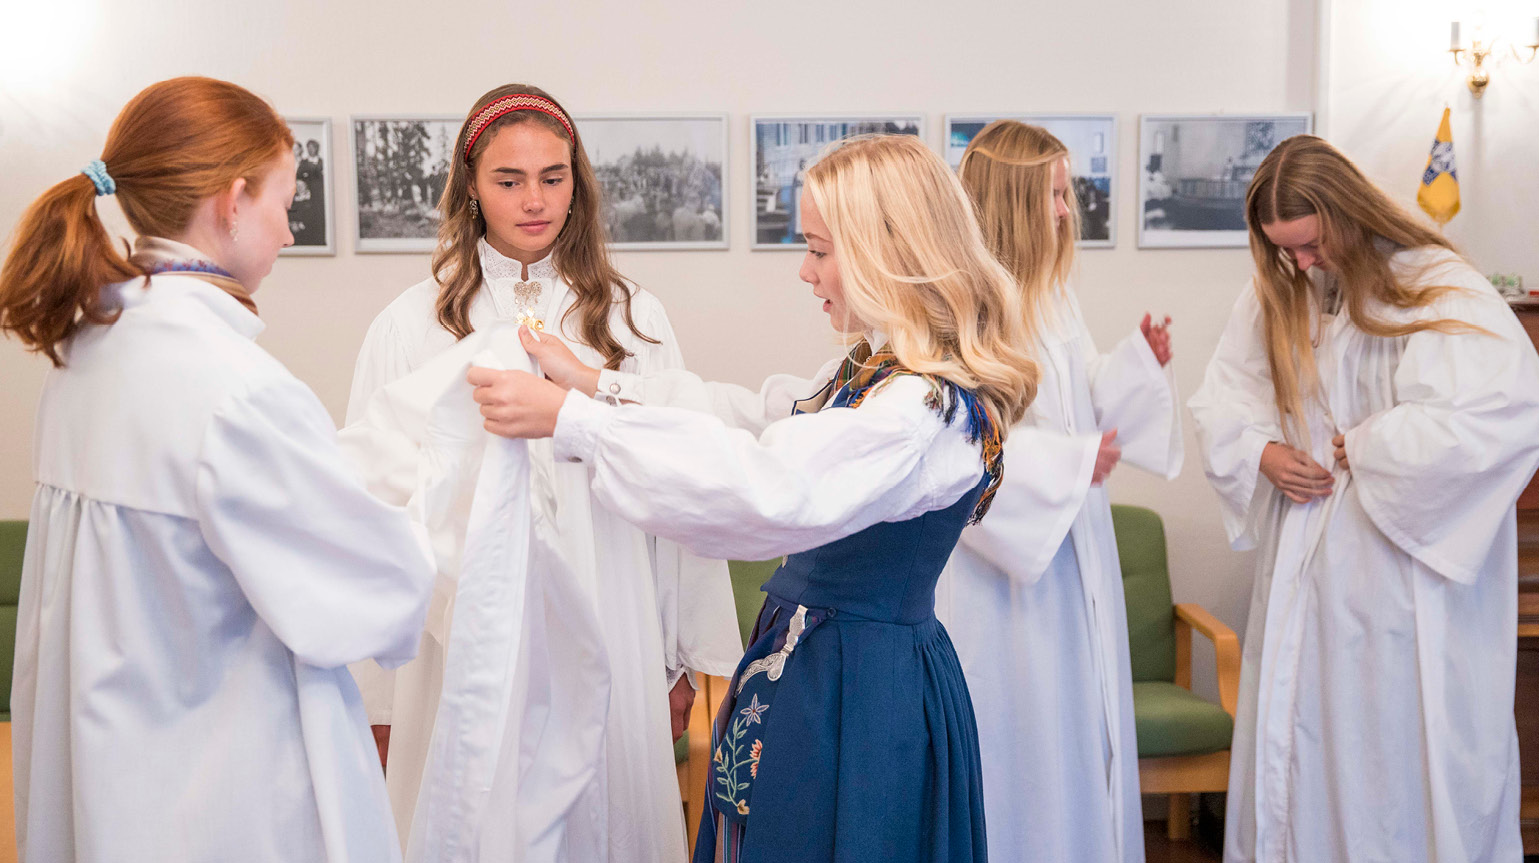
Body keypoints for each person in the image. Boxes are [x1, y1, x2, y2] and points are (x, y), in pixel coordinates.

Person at [469, 133, 1040, 863]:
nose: (806, 270)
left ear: (887, 251)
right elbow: (750, 418)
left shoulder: (920, 410)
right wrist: (593, 381)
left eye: (820, 249)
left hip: (864, 692)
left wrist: (574, 422)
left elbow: (771, 488)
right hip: (817, 675)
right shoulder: (875, 371)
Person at [0, 76, 433, 862]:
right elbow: (370, 593)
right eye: (285, 203)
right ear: (233, 200)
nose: (290, 232)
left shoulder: (85, 352)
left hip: (117, 780)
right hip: (220, 796)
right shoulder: (237, 388)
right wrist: (436, 485)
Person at [346, 83, 741, 863]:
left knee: (605, 815)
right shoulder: (409, 324)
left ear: (576, 182)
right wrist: (377, 692)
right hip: (458, 632)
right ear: (470, 186)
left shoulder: (633, 316)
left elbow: (678, 485)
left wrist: (679, 659)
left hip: (611, 605)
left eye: (553, 177)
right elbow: (372, 507)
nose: (535, 200)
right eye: (509, 179)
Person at [1188, 134, 1539, 863]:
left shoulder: (1436, 284)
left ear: (1347, 212)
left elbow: (1505, 410)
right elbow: (1222, 396)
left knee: (1384, 760)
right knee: (1301, 751)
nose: (1301, 263)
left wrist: (1374, 445)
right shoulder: (1285, 285)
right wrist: (1261, 452)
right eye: (1285, 249)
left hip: (1396, 576)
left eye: (1311, 243)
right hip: (1303, 569)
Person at [936, 120, 1181, 863]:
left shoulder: (1051, 299)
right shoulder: (964, 310)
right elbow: (954, 441)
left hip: (1074, 557)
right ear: (1014, 199)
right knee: (1024, 745)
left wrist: (1135, 368)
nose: (1068, 210)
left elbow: (1077, 405)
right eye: (1055, 194)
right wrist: (1067, 463)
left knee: (1076, 735)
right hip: (1007, 579)